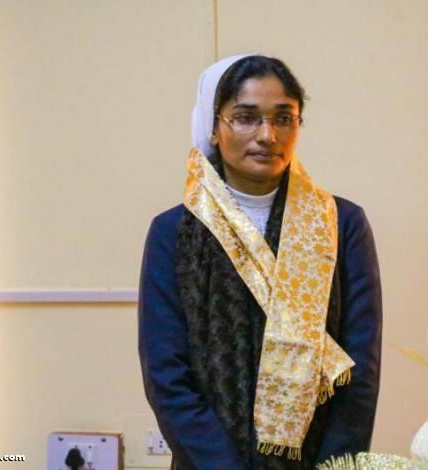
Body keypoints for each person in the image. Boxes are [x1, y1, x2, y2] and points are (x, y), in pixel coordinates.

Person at [138, 54, 382, 470]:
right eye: (246, 118)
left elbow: (360, 374)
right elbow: (167, 376)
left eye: (283, 118)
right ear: (214, 127)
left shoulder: (341, 224)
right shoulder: (174, 231)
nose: (267, 135)